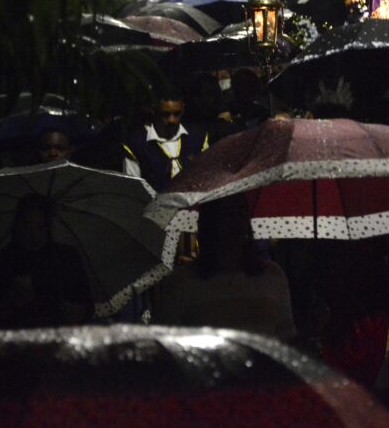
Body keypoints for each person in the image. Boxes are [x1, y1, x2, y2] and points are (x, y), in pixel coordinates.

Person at [152, 195, 295, 340]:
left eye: (239, 212)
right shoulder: (182, 283)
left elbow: (286, 336)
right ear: (210, 222)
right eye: (226, 214)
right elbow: (164, 344)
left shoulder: (272, 276)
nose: (235, 222)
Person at [0, 194, 93, 331]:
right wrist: (10, 304)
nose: (34, 235)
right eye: (27, 227)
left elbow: (87, 302)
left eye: (40, 227)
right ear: (17, 226)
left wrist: (79, 312)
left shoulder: (66, 258)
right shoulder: (1, 262)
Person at [122, 87, 209, 192]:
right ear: (154, 110)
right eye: (165, 114)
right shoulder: (137, 143)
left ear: (183, 109)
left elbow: (206, 176)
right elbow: (133, 188)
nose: (171, 120)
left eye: (177, 114)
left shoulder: (197, 136)